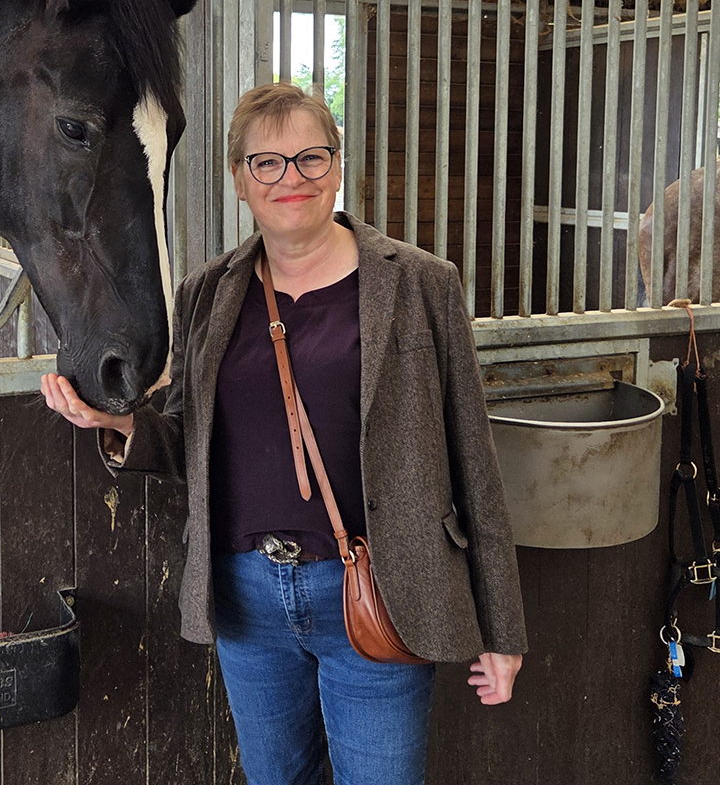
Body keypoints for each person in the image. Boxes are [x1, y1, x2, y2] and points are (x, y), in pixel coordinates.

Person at [41, 82, 527, 785]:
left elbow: (474, 462)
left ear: (336, 166)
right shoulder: (207, 293)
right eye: (266, 163)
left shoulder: (421, 284)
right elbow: (188, 441)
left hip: (379, 589)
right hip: (247, 600)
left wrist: (502, 631)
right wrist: (116, 422)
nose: (290, 178)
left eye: (309, 158)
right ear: (240, 180)